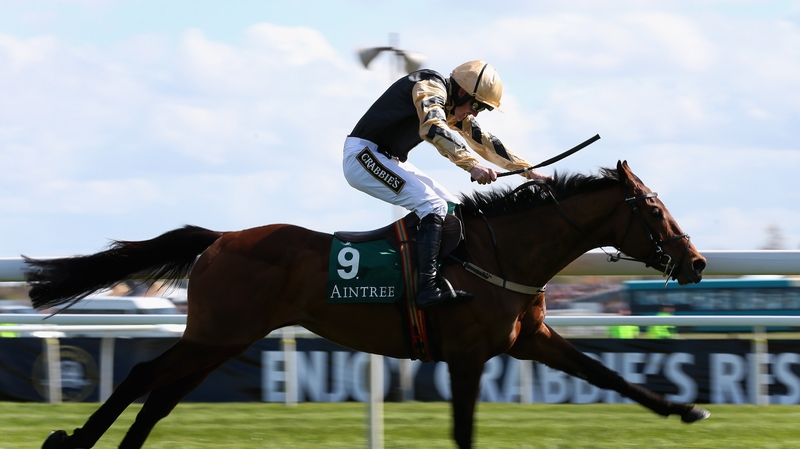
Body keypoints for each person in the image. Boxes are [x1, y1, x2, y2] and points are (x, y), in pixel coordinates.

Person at [344, 60, 550, 309]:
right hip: (363, 156)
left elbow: (486, 142)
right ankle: (426, 288)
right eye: (477, 105)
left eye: (482, 109)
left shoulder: (455, 106)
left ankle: (441, 276)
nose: (475, 113)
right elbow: (432, 127)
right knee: (433, 206)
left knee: (451, 207)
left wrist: (531, 173)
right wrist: (471, 165)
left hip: (387, 158)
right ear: (462, 91)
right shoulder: (430, 86)